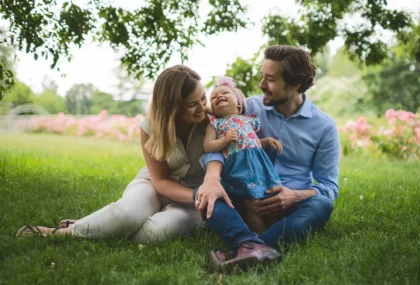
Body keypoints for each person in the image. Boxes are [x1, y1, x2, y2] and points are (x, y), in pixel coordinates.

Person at [16, 65, 234, 242]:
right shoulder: (151, 127)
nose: (202, 107)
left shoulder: (215, 121)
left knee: (157, 233)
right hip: (156, 186)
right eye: (192, 104)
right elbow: (159, 181)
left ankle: (103, 228)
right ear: (172, 107)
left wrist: (202, 195)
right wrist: (198, 195)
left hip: (192, 198)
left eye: (203, 99)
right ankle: (66, 232)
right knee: (128, 214)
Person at [194, 45, 340, 272]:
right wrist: (212, 178)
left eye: (270, 79)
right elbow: (221, 142)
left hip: (287, 208)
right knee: (203, 191)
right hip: (242, 198)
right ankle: (256, 246)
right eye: (262, 77)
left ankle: (248, 245)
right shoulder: (249, 107)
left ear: (295, 85)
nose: (261, 85)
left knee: (322, 204)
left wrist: (294, 196)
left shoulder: (325, 127)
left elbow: (329, 186)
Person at [203, 76, 283, 234]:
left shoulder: (248, 120)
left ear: (239, 102)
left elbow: (252, 141)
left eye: (225, 93)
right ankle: (261, 238)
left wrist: (266, 141)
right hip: (241, 168)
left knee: (271, 201)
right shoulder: (215, 124)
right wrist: (224, 141)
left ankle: (274, 234)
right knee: (253, 206)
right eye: (213, 97)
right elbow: (207, 146)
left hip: (261, 166)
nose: (219, 96)